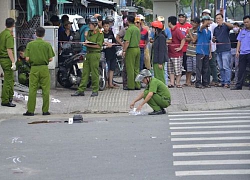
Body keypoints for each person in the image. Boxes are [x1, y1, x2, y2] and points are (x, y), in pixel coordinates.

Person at [23, 27, 55, 116]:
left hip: (34, 68)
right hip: (44, 68)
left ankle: (30, 110)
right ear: (44, 34)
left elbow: (27, 58)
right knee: (45, 90)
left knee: (32, 89)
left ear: (35, 34)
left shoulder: (30, 44)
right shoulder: (47, 44)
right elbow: (51, 58)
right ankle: (45, 111)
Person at [71, 17, 104, 97]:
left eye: (90, 24)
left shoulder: (99, 33)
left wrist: (88, 44)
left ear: (94, 24)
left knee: (94, 73)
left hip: (95, 54)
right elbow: (87, 41)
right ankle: (81, 90)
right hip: (88, 53)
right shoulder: (88, 32)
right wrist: (86, 39)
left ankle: (95, 90)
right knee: (85, 73)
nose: (89, 26)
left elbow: (98, 45)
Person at [213, 13, 233, 88]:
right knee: (220, 67)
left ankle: (227, 82)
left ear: (222, 18)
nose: (218, 20)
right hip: (218, 50)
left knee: (226, 67)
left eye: (219, 18)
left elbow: (232, 27)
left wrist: (224, 22)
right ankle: (223, 81)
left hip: (226, 49)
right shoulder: (215, 29)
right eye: (217, 19)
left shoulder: (226, 26)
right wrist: (213, 39)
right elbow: (214, 39)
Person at [150, 15, 172, 85]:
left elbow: (162, 50)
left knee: (160, 77)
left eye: (153, 28)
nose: (152, 29)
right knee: (156, 76)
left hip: (159, 61)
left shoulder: (161, 37)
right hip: (155, 59)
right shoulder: (157, 37)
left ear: (156, 29)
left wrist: (160, 63)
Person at [0, 18, 16, 107]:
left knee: (8, 79)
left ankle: (7, 98)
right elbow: (9, 50)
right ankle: (6, 100)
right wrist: (13, 62)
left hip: (2, 59)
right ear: (13, 25)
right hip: (7, 59)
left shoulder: (2, 34)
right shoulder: (9, 36)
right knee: (8, 81)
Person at [231, 15, 250, 90]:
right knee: (241, 69)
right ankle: (239, 85)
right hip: (242, 53)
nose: (246, 24)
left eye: (247, 22)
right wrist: (237, 51)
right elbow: (239, 41)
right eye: (244, 22)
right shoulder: (242, 31)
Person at [122, 15, 141, 90]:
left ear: (128, 21)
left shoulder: (129, 29)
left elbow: (127, 41)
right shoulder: (137, 29)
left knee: (130, 68)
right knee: (136, 68)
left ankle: (131, 85)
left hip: (131, 49)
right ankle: (137, 85)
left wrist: (124, 50)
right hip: (137, 48)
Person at [202, 9, 219, 86]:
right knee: (206, 65)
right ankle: (207, 80)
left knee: (212, 64)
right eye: (204, 14)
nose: (205, 15)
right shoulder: (201, 25)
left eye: (207, 14)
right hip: (203, 48)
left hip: (212, 47)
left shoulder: (213, 24)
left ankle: (215, 80)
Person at [167, 16, 186, 88]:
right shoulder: (169, 30)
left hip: (177, 54)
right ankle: (172, 82)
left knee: (177, 69)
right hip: (170, 53)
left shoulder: (177, 30)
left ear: (170, 22)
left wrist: (180, 47)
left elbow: (183, 39)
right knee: (170, 69)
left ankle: (178, 83)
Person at [195, 16, 212, 88]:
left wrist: (210, 52)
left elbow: (209, 42)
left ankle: (205, 82)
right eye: (206, 21)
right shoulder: (200, 29)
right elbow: (202, 27)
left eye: (209, 20)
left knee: (206, 68)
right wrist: (205, 23)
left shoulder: (209, 32)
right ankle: (198, 82)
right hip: (200, 51)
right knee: (199, 67)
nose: (208, 22)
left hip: (206, 51)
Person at [102, 20, 118, 88]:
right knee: (106, 69)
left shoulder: (111, 33)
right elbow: (100, 42)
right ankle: (105, 83)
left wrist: (111, 44)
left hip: (112, 53)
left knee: (112, 69)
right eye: (105, 26)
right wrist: (106, 44)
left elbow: (114, 42)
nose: (106, 27)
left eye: (107, 26)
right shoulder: (101, 34)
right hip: (105, 54)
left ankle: (110, 83)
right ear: (103, 26)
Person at [184, 17, 199, 86]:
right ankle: (188, 81)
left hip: (195, 52)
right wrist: (190, 36)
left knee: (195, 68)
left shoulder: (198, 31)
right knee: (188, 68)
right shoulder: (190, 30)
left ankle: (196, 81)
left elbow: (194, 40)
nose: (193, 24)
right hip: (189, 51)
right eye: (192, 22)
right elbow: (186, 38)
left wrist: (190, 33)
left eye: (195, 22)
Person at [116, 15, 128, 88]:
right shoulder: (124, 30)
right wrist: (122, 44)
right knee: (125, 67)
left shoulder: (135, 29)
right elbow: (117, 37)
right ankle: (125, 83)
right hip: (125, 50)